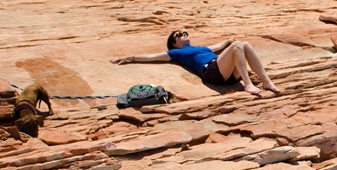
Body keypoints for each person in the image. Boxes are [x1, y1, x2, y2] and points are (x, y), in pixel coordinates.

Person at [111, 29, 281, 96]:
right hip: (212, 72)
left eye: (185, 32)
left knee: (244, 44)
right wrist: (130, 58)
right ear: (174, 43)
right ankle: (248, 84)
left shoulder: (202, 48)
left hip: (225, 72)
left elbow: (221, 46)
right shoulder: (176, 52)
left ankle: (266, 82)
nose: (183, 34)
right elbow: (152, 57)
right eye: (179, 34)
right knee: (237, 45)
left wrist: (229, 39)